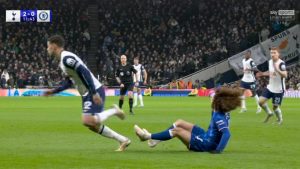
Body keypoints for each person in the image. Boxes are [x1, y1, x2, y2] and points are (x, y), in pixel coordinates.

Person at [44, 35, 131, 151]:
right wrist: (54, 91)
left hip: (93, 90)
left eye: (48, 46)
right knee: (92, 126)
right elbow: (69, 82)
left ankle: (114, 110)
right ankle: (123, 140)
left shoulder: (66, 59)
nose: (47, 49)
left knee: (87, 120)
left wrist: (94, 92)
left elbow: (84, 71)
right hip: (86, 93)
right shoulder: (62, 62)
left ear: (54, 46)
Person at [134, 87, 242, 153]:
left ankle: (147, 136)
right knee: (179, 122)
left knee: (177, 131)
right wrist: (214, 92)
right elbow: (212, 94)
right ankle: (155, 140)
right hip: (206, 135)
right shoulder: (220, 108)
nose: (212, 98)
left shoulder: (218, 115)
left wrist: (218, 150)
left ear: (218, 102)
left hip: (206, 144)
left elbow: (226, 134)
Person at [256, 47, 287, 125]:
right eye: (271, 53)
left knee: (275, 107)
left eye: (274, 53)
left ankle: (280, 119)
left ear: (278, 54)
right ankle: (269, 113)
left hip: (279, 89)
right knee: (260, 102)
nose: (272, 54)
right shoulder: (270, 62)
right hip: (270, 87)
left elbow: (285, 75)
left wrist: (278, 70)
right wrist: (262, 74)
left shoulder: (281, 64)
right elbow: (271, 72)